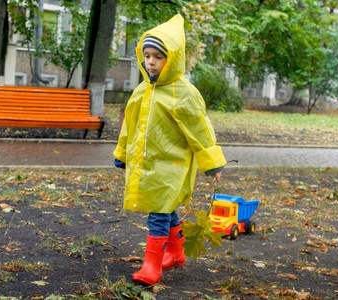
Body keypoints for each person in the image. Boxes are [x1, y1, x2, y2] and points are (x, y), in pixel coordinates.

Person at [113, 14, 227, 285]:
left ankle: (152, 265)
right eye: (147, 55)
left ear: (172, 59)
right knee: (166, 208)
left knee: (159, 210)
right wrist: (121, 154)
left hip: (172, 165)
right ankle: (175, 253)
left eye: (158, 57)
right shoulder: (142, 90)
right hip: (148, 162)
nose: (151, 62)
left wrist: (211, 162)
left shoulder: (183, 93)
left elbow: (200, 128)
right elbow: (129, 126)